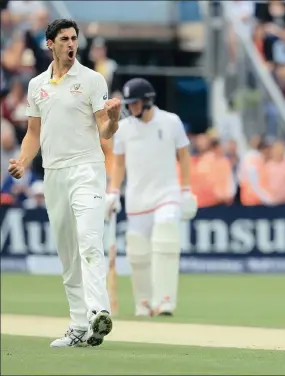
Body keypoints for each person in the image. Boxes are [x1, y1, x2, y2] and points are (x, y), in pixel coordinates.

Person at [7, 19, 121, 347]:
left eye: (74, 39)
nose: (71, 44)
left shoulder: (91, 79)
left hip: (86, 169)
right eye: (65, 39)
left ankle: (99, 313)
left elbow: (104, 129)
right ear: (50, 44)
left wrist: (113, 119)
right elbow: (33, 133)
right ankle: (78, 326)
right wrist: (23, 161)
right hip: (54, 173)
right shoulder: (37, 85)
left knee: (88, 241)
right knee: (68, 254)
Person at [106, 77, 198, 317]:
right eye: (129, 103)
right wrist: (113, 192)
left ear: (147, 101)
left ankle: (165, 300)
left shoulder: (170, 122)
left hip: (167, 193)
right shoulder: (124, 128)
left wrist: (186, 190)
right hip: (137, 198)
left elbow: (184, 156)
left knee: (165, 235)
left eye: (135, 103)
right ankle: (144, 303)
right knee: (138, 251)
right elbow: (118, 163)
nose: (130, 107)